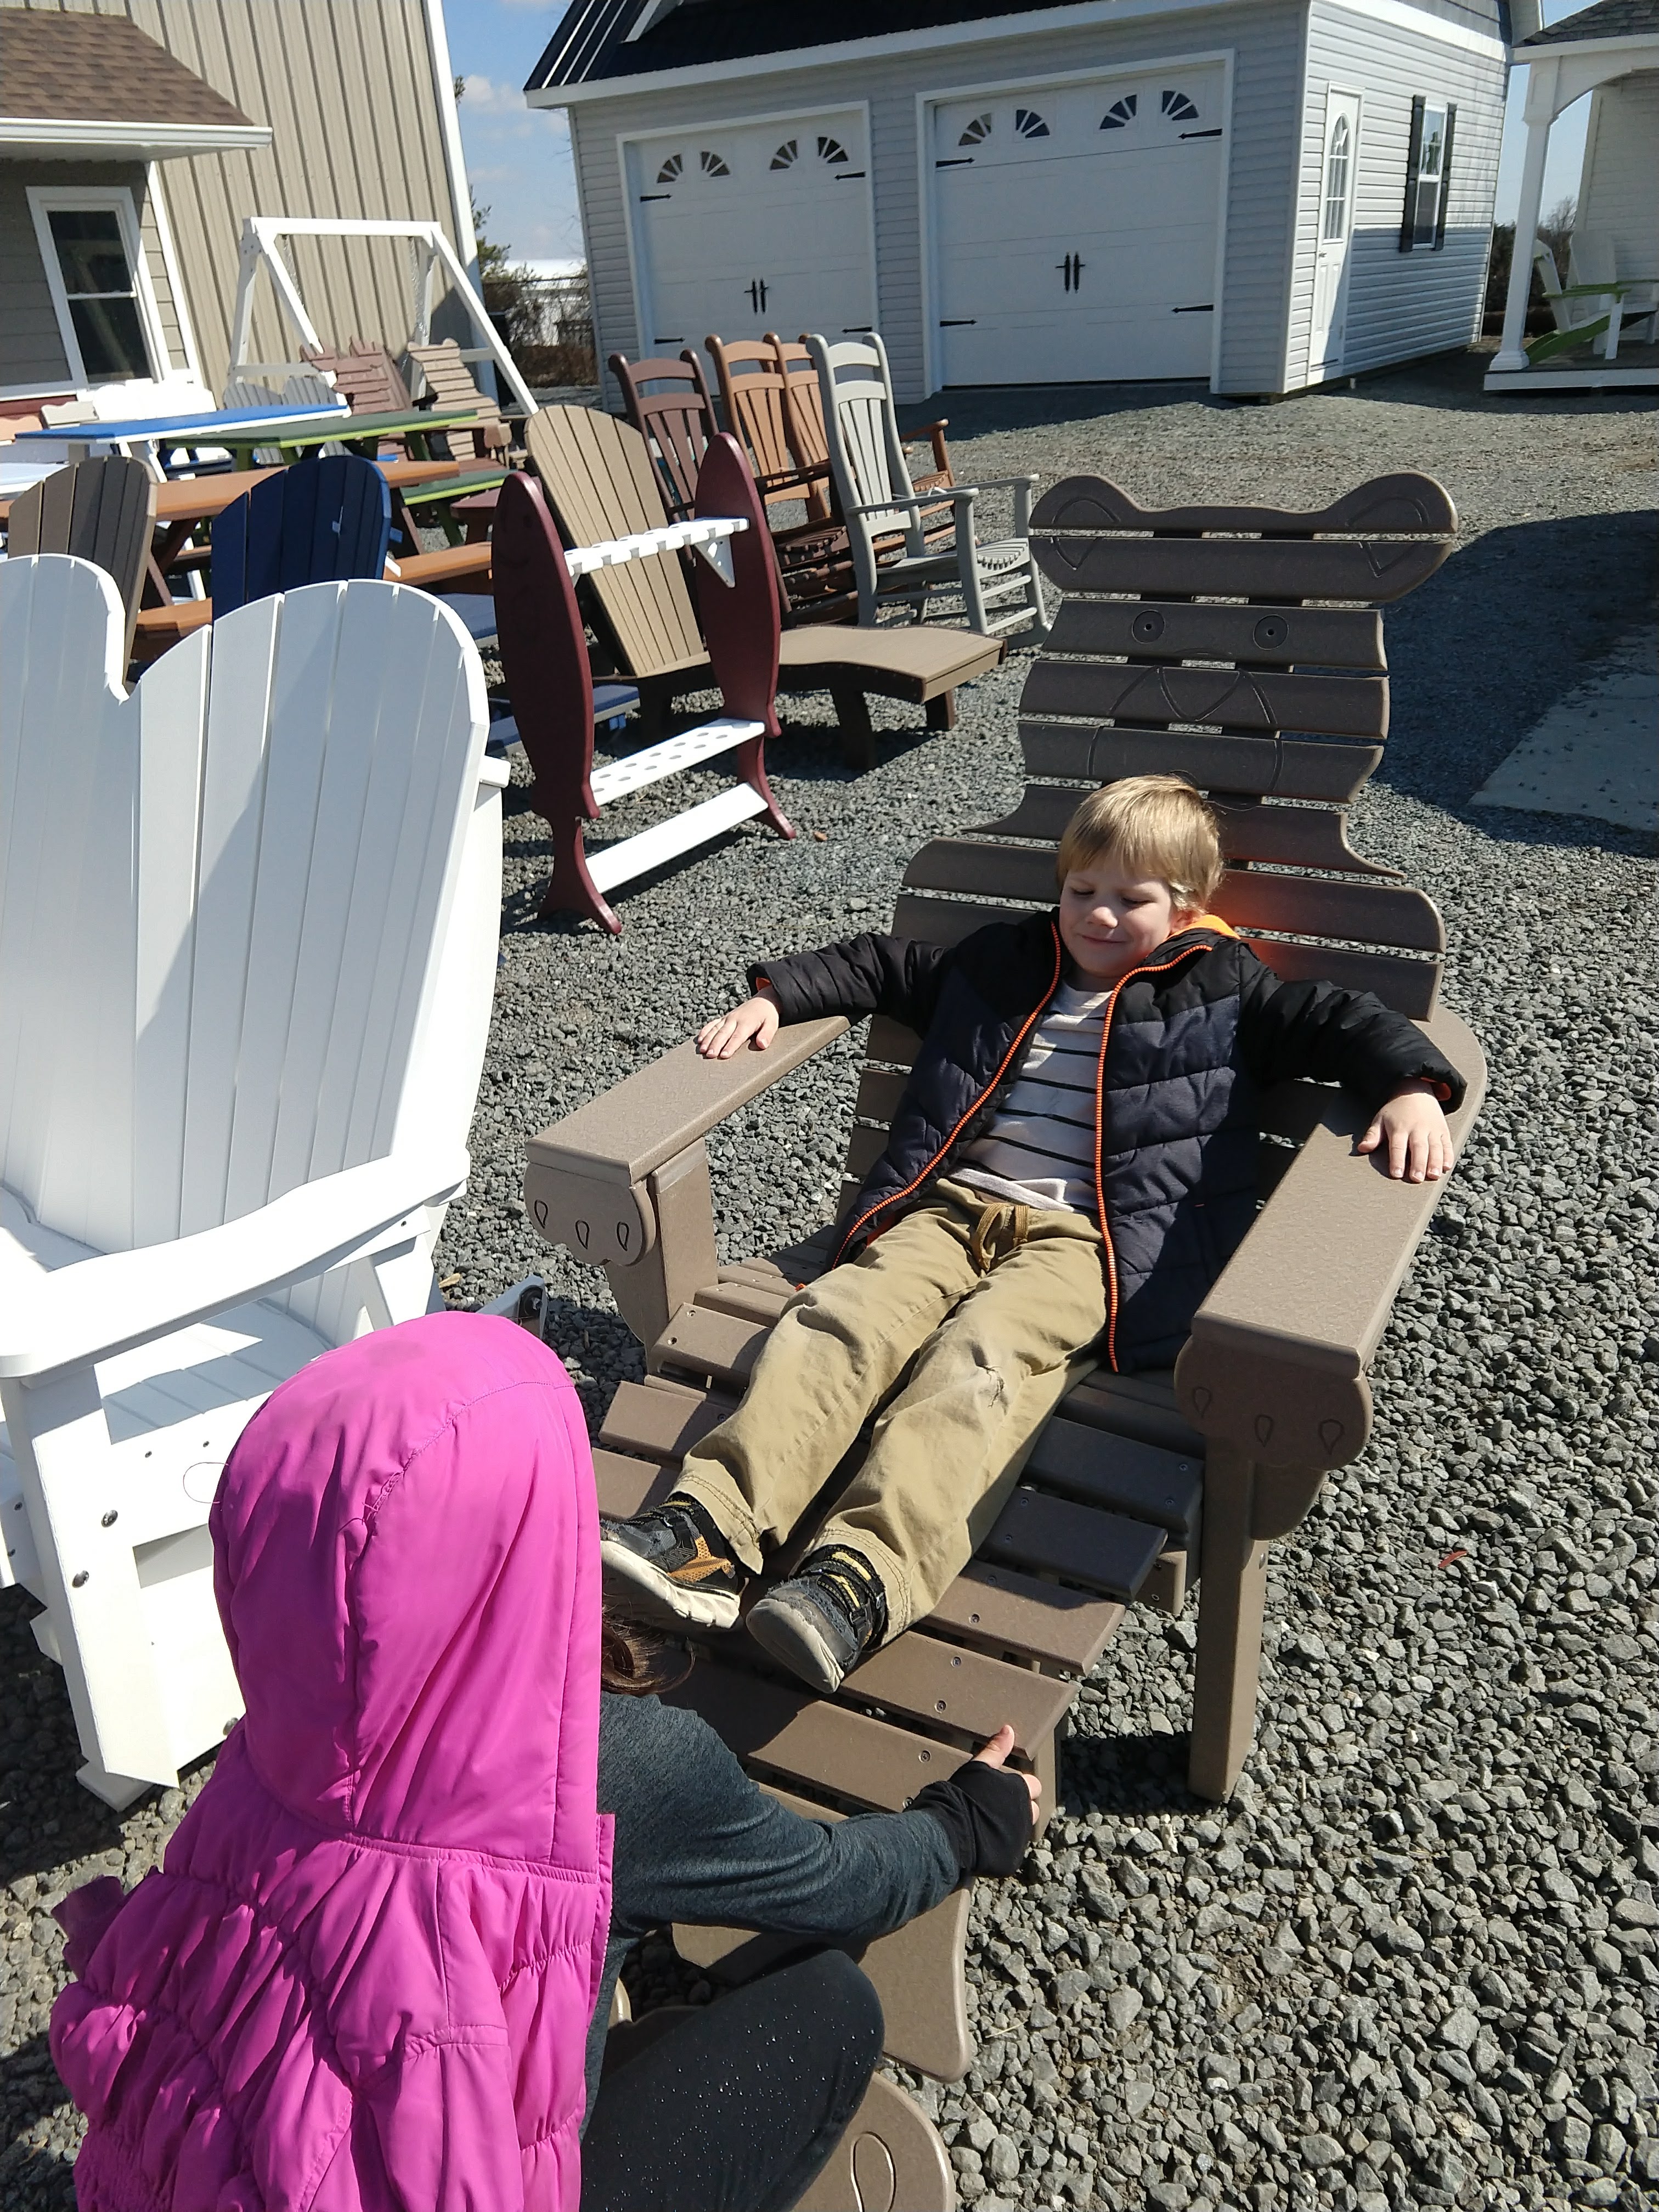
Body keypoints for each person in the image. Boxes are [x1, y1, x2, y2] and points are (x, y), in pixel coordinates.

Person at [49, 1313, 1037, 2212]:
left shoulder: (261, 1759)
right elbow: (839, 1887)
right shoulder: (610, 1766)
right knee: (830, 2008)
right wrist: (966, 1823)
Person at [600, 774, 1464, 1696]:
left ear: (1186, 907)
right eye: (1081, 890)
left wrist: (1410, 1085)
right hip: (949, 1211)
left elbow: (1336, 1020)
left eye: (1131, 899)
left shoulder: (1225, 991)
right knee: (839, 1321)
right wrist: (781, 996)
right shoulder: (1004, 962)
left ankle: (860, 1578)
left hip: (1084, 1245)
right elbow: (885, 966)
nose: (1099, 915)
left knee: (980, 1363)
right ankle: (709, 1532)